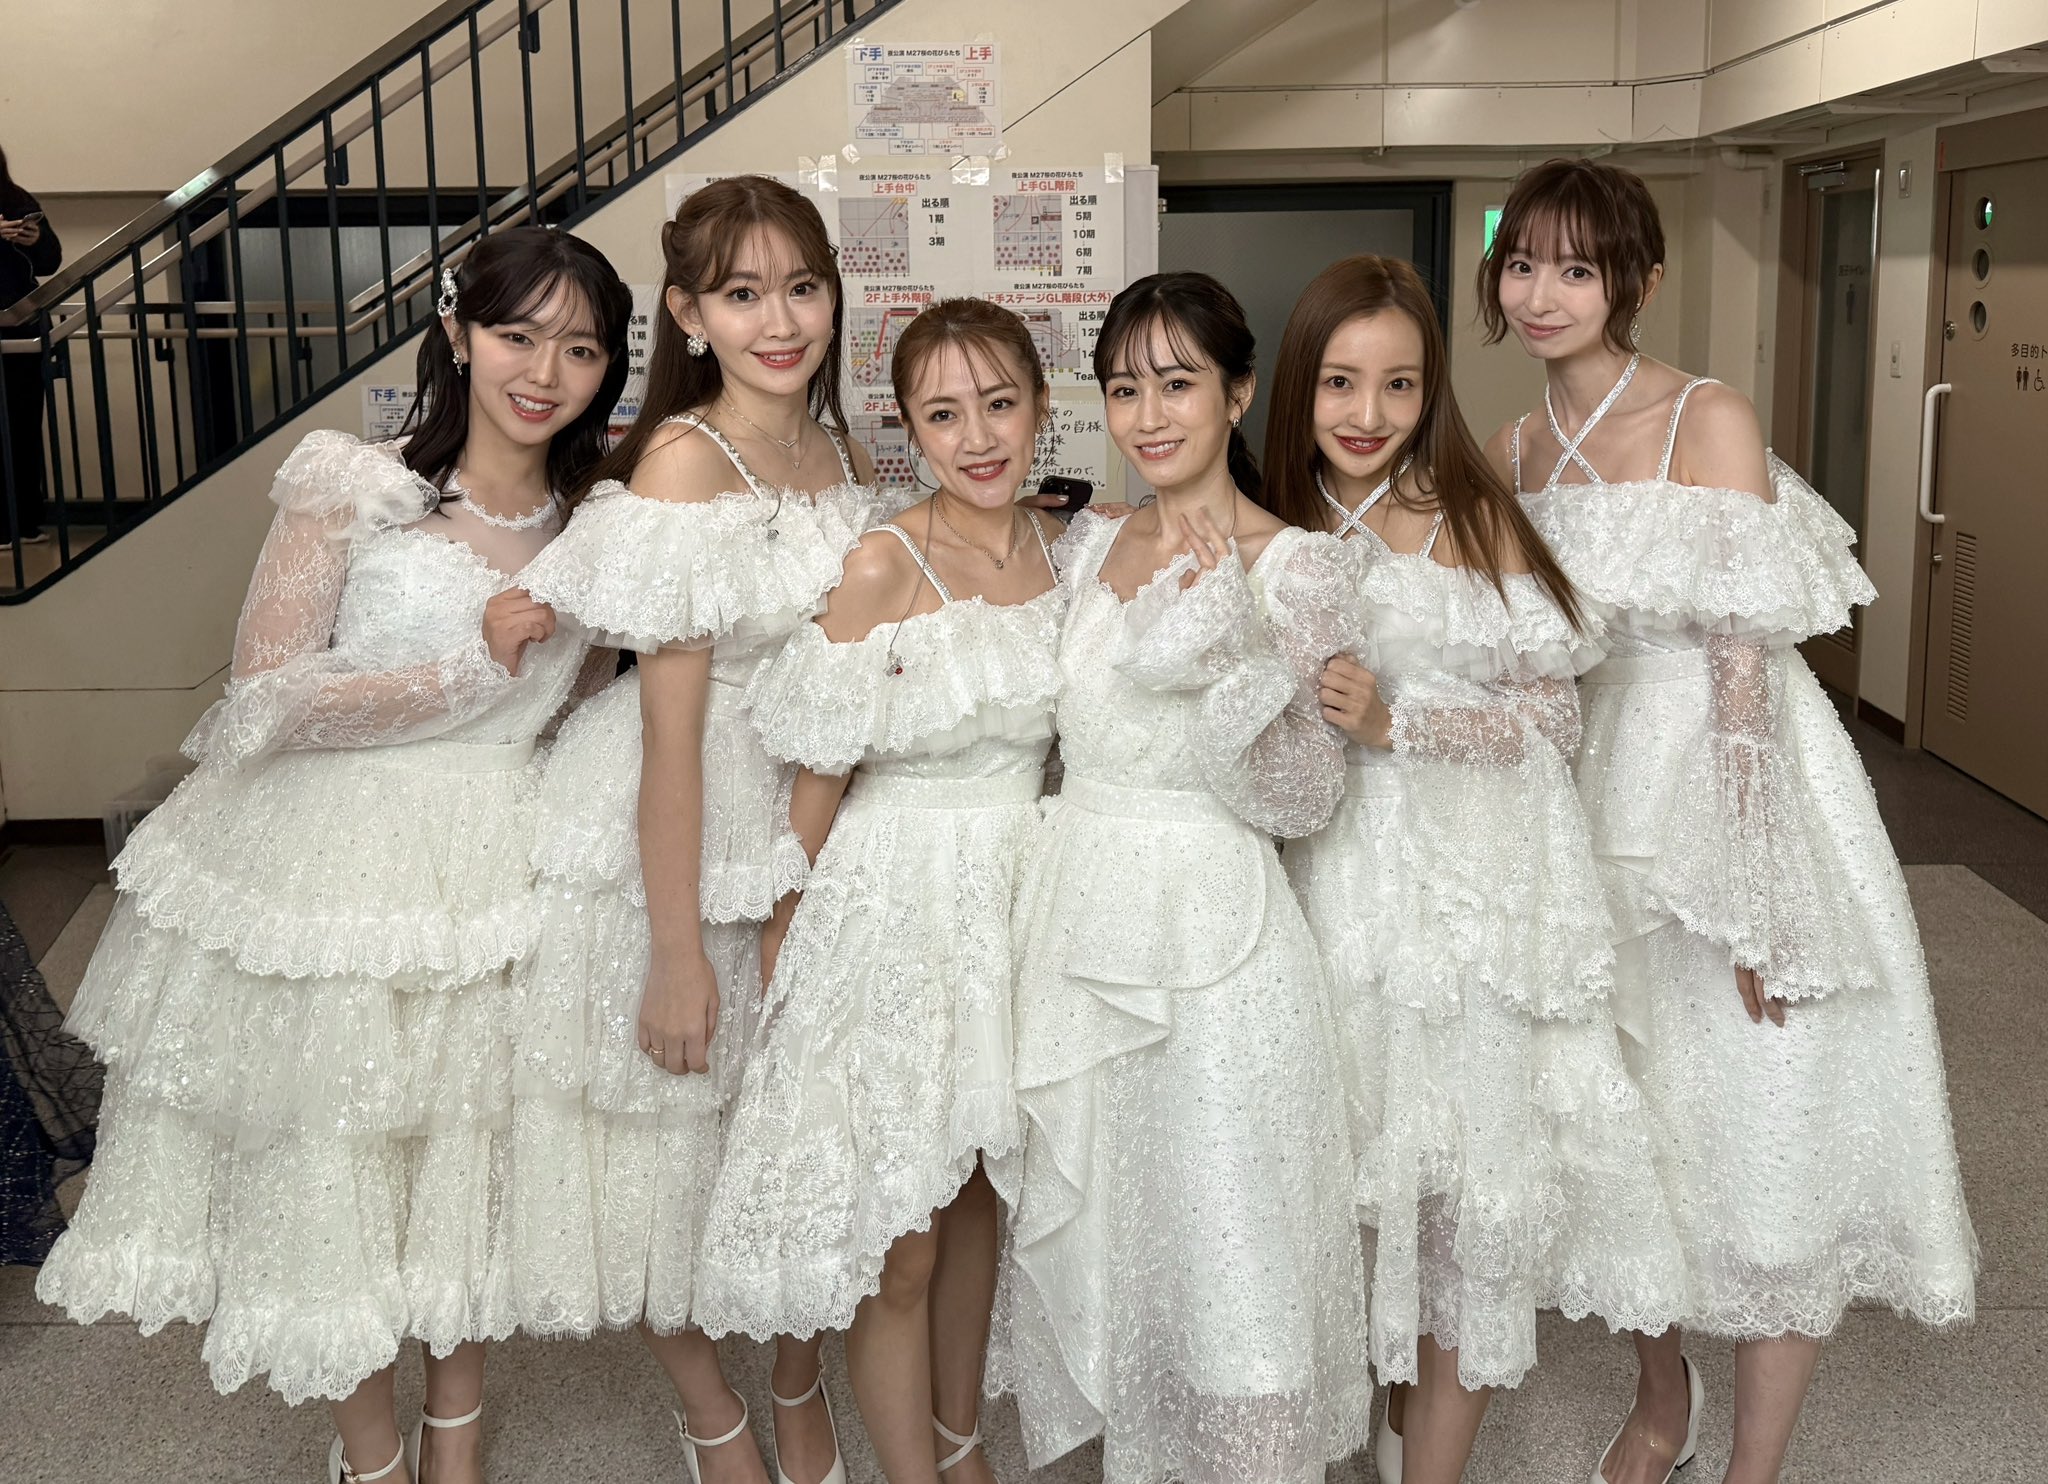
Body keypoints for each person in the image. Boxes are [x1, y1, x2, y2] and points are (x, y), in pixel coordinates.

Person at [36, 225, 634, 1484]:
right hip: (334, 864)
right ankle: (368, 1454)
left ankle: (457, 1442)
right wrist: (470, 667)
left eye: (580, 348)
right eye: (518, 334)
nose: (545, 371)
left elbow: (580, 711)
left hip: (500, 861)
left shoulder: (601, 527)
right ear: (457, 332)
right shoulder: (353, 483)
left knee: (470, 1153)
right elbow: (263, 699)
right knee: (336, 1159)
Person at [1480, 157, 1977, 1484]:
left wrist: (1760, 895)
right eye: (1521, 263)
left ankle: (1752, 1468)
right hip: (1590, 796)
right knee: (1617, 1123)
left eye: (1575, 267)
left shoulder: (1707, 416)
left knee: (1767, 1109)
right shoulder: (1513, 449)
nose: (1541, 293)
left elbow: (1741, 677)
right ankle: (1663, 1396)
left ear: (1635, 280)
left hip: (1728, 769)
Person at [1266, 254, 1688, 1484]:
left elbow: (1553, 718)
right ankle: (1385, 1423)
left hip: (1465, 898)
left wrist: (1397, 724)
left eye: (1398, 383)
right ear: (1295, 387)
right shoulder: (1271, 524)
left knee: (1461, 1209)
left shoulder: (1470, 512)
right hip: (1319, 897)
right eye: (1339, 381)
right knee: (1351, 1193)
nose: (1367, 412)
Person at [505, 175, 880, 1484]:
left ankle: (797, 1382)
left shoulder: (840, 450)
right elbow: (668, 736)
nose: (779, 322)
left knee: (792, 1132)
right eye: (741, 294)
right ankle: (713, 1412)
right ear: (687, 313)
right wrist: (674, 951)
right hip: (682, 825)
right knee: (662, 1143)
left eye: (801, 288)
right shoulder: (681, 461)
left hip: (815, 817)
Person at [991, 271, 1372, 1484]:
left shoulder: (1300, 566)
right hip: (1079, 919)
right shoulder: (1086, 542)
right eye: (1122, 388)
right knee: (1123, 1234)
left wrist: (1236, 642)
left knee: (1232, 1244)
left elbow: (1302, 799)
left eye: (1176, 383)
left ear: (1237, 392)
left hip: (1220, 940)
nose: (1147, 415)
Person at [695, 297, 1066, 1484]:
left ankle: (960, 1445)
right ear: (908, 429)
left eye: (998, 404)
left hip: (1020, 900)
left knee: (979, 1200)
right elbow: (819, 773)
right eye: (942, 415)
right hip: (894, 902)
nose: (977, 437)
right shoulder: (880, 561)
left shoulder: (1070, 552)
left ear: (1040, 408)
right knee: (899, 1230)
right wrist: (783, 931)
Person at [0, 144, 63, 545]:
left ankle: (24, 520)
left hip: (22, 327)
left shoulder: (18, 200)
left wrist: (34, 239)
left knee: (23, 426)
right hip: (16, 326)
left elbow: (50, 260)